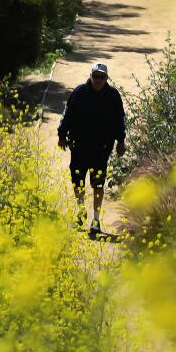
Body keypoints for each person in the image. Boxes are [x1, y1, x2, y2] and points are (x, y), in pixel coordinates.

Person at [57, 62, 126, 235]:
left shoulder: (113, 96)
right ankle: (81, 213)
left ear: (106, 78)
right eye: (95, 76)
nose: (98, 80)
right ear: (90, 76)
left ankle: (96, 221)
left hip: (101, 150)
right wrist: (61, 135)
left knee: (98, 185)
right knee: (78, 182)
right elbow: (67, 114)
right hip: (79, 147)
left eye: (101, 77)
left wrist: (121, 141)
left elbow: (120, 120)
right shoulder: (79, 93)